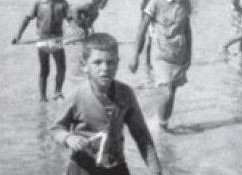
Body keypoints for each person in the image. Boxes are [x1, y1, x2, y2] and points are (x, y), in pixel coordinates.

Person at [51, 33, 162, 175]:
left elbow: (142, 136)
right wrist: (68, 138)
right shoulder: (78, 96)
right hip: (82, 168)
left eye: (110, 62)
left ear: (117, 64)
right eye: (97, 62)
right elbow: (55, 128)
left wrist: (155, 169)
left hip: (116, 167)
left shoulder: (125, 94)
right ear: (84, 66)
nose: (104, 68)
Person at [129, 0, 191, 130]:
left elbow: (187, 30)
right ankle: (160, 127)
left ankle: (163, 125)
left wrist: (189, 55)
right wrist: (135, 55)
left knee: (173, 93)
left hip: (179, 55)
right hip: (160, 56)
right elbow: (142, 30)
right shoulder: (155, 2)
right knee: (167, 92)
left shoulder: (185, 3)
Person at [12, 0, 72, 102]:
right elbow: (27, 19)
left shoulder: (62, 3)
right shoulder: (38, 3)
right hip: (43, 41)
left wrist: (78, 32)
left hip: (57, 40)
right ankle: (43, 97)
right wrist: (18, 36)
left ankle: (57, 92)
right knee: (45, 69)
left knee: (61, 67)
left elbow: (71, 20)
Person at [132, 0, 165, 70]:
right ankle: (148, 63)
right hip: (149, 19)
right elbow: (143, 8)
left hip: (161, 21)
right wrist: (143, 21)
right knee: (149, 41)